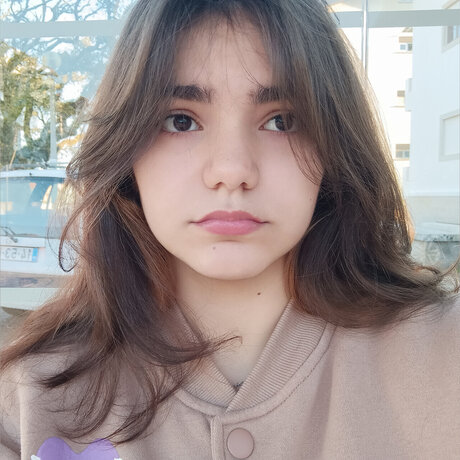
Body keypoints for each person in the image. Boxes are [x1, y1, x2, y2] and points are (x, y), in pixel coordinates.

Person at [1, 0, 459, 458]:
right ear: (125, 150)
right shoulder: (28, 398)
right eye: (180, 121)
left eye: (281, 121)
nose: (232, 170)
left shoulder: (445, 354)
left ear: (333, 144)